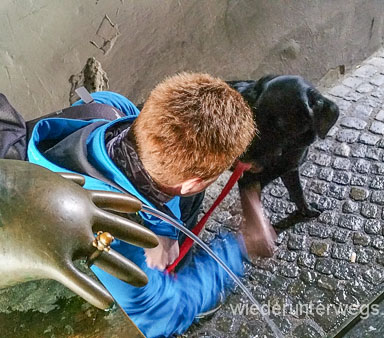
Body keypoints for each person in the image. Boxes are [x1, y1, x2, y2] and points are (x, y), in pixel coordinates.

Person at [27, 72, 256, 337]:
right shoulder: (113, 234)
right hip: (67, 257)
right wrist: (239, 247)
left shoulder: (108, 106)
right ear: (192, 182)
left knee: (184, 204)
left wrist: (164, 229)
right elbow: (159, 315)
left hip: (47, 174)